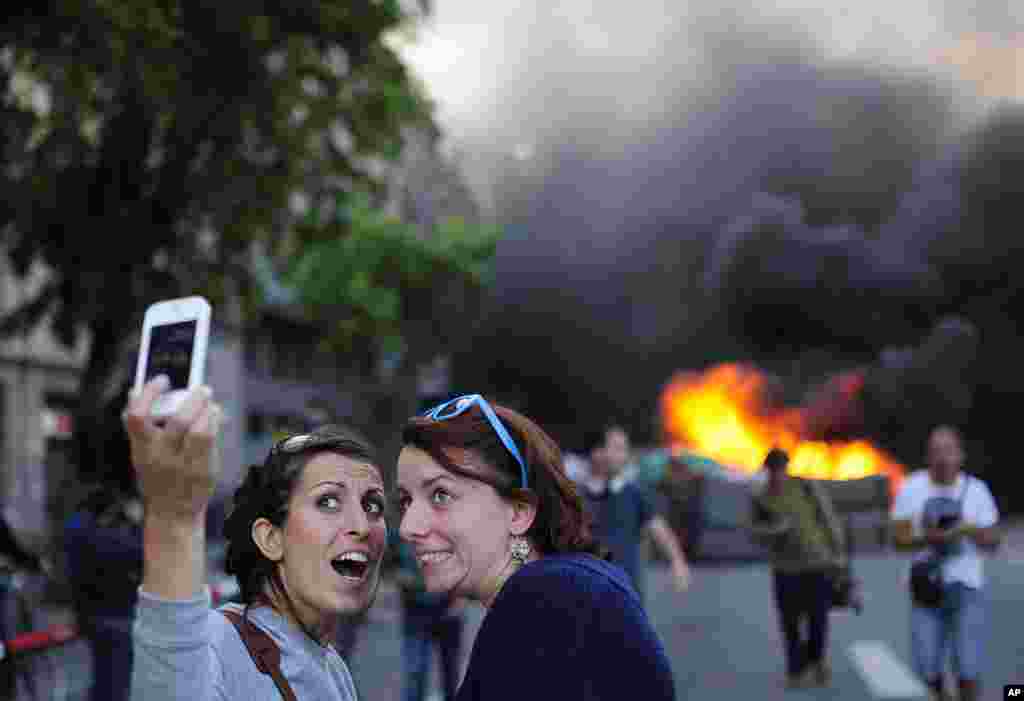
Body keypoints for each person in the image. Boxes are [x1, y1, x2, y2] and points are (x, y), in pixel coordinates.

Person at [396, 394, 676, 701]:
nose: (408, 527)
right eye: (405, 501)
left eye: (440, 495)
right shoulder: (547, 594)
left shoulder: (549, 597)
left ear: (518, 511)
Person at [126, 375, 387, 700]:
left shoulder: (334, 669)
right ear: (270, 538)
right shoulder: (217, 645)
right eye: (328, 501)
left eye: (373, 505)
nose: (362, 526)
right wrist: (173, 516)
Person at [890, 426, 1001, 701]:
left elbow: (993, 539)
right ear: (927, 456)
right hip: (925, 588)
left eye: (948, 450)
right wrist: (927, 537)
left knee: (967, 668)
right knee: (927, 668)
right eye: (935, 451)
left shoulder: (976, 490)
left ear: (960, 455)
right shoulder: (911, 487)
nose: (942, 457)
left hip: (966, 588)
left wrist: (965, 529)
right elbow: (897, 538)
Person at [747, 448, 846, 689]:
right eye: (774, 469)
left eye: (782, 468)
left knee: (818, 618)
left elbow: (828, 518)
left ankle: (817, 660)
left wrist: (838, 553)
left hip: (817, 563)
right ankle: (795, 670)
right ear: (767, 470)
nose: (778, 474)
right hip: (785, 568)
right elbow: (754, 532)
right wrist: (775, 530)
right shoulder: (761, 498)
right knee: (789, 622)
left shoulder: (805, 488)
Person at [579, 425, 691, 601]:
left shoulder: (634, 493)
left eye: (623, 450)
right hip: (585, 593)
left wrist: (677, 561)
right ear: (597, 452)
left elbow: (658, 528)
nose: (621, 456)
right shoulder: (577, 496)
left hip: (626, 593)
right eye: (615, 448)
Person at [64, 483, 144, 701]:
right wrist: (136, 524)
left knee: (104, 680)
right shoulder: (104, 537)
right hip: (114, 616)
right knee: (114, 684)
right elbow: (142, 553)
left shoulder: (77, 529)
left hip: (91, 614)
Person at [391, 529, 465, 701]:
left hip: (448, 611)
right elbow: (392, 566)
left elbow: (463, 561)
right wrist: (414, 581)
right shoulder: (404, 529)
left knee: (450, 676)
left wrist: (459, 598)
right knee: (415, 673)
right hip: (416, 610)